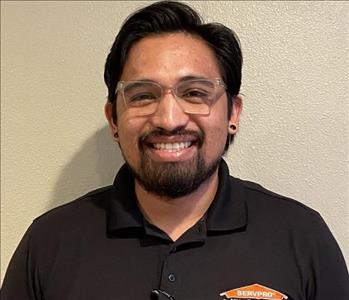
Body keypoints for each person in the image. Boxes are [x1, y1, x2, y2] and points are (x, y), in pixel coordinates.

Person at [1, 1, 348, 299]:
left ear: (233, 113)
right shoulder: (49, 244)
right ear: (114, 119)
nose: (168, 119)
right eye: (142, 95)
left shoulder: (301, 238)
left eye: (195, 93)